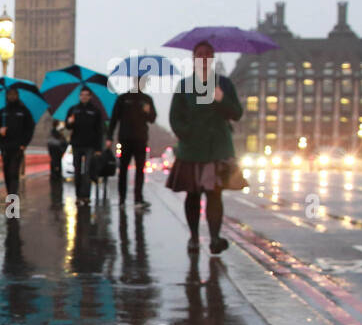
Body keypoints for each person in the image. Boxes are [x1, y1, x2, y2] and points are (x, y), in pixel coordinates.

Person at [166, 41, 243, 254]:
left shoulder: (224, 85)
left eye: (208, 55)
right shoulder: (184, 85)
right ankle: (193, 237)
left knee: (214, 195)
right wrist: (187, 134)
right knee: (192, 195)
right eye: (199, 54)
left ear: (212, 59)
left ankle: (215, 238)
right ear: (193, 59)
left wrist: (221, 99)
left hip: (217, 149)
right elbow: (175, 117)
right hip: (191, 149)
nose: (203, 58)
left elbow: (236, 113)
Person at [107, 74, 158, 207]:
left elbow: (153, 119)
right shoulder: (123, 98)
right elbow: (114, 119)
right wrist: (109, 137)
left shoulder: (147, 99)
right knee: (123, 170)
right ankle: (122, 198)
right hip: (125, 138)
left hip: (141, 139)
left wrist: (148, 111)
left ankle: (138, 199)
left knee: (140, 170)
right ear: (134, 82)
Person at [0, 87, 36, 197]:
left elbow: (30, 129)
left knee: (14, 172)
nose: (12, 96)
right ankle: (10, 195)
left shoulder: (24, 112)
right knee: (7, 173)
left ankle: (12, 199)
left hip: (17, 147)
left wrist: (24, 144)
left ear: (17, 96)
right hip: (5, 147)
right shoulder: (2, 112)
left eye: (14, 94)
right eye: (9, 94)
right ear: (6, 96)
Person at [64, 86, 105, 204]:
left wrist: (98, 148)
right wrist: (69, 122)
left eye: (86, 95)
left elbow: (99, 131)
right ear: (79, 96)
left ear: (90, 97)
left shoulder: (95, 111)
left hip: (90, 145)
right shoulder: (73, 110)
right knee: (77, 170)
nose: (84, 97)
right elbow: (68, 126)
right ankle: (78, 196)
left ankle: (86, 196)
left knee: (87, 171)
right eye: (82, 95)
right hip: (76, 144)